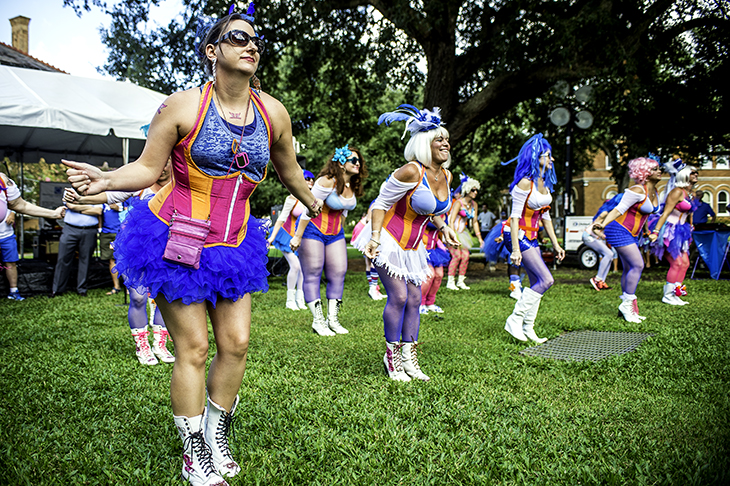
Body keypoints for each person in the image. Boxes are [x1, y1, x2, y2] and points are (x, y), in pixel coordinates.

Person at [63, 5, 323, 485]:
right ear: (212, 51)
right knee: (195, 347)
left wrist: (315, 200)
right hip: (175, 234)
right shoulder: (181, 107)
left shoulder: (274, 113)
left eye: (256, 42)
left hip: (235, 241)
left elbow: (287, 170)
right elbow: (146, 168)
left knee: (237, 343)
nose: (252, 46)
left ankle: (214, 430)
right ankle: (193, 451)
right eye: (239, 38)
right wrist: (104, 181)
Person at [354, 104, 459, 382]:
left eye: (446, 138)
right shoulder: (411, 171)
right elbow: (380, 204)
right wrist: (375, 237)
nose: (445, 143)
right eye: (439, 139)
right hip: (387, 237)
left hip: (414, 246)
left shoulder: (446, 175)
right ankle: (392, 359)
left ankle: (410, 358)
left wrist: (444, 227)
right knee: (399, 296)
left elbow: (433, 210)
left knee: (415, 298)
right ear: (425, 143)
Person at [65, 159, 176, 365]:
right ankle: (142, 345)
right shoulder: (140, 184)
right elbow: (108, 194)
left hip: (170, 251)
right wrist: (80, 197)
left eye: (166, 161)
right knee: (138, 298)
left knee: (165, 298)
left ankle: (160, 344)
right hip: (138, 251)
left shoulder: (181, 184)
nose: (161, 166)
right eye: (159, 161)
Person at [290, 144, 366, 336]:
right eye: (353, 160)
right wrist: (297, 236)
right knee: (313, 272)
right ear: (341, 163)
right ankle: (318, 321)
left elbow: (344, 212)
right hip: (312, 229)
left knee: (339, 272)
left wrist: (339, 231)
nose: (358, 163)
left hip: (335, 233)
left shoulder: (352, 186)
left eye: (359, 161)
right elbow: (309, 209)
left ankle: (333, 319)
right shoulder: (326, 181)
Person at [502, 134, 565, 343]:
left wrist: (556, 244)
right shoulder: (524, 183)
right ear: (537, 156)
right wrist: (515, 249)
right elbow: (514, 218)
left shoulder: (544, 184)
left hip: (532, 236)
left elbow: (546, 218)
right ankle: (515, 319)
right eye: (548, 155)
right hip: (518, 234)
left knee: (537, 280)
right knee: (547, 280)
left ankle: (528, 327)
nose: (552, 160)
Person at [593, 157, 661, 323]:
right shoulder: (638, 190)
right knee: (638, 264)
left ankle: (626, 306)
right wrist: (602, 224)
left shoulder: (654, 192)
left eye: (659, 168)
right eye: (654, 169)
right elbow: (618, 210)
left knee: (630, 267)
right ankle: (627, 304)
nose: (659, 171)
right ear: (644, 172)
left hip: (633, 233)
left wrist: (649, 232)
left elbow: (644, 216)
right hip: (618, 229)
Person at [0, 173, 65, 299]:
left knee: (10, 263)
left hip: (5, 235)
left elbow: (20, 205)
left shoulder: (2, 180)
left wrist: (53, 214)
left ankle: (14, 292)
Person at [649, 160, 698, 305]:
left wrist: (690, 225)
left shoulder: (690, 194)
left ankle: (675, 293)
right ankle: (667, 295)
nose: (696, 175)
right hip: (669, 230)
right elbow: (665, 213)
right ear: (684, 176)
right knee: (676, 262)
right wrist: (656, 232)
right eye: (692, 173)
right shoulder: (677, 192)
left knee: (685, 263)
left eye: (696, 173)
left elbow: (690, 213)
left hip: (682, 231)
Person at [267, 170, 315, 311]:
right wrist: (272, 237)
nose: (310, 181)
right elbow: (281, 219)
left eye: (312, 179)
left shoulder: (313, 199)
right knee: (296, 266)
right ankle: (290, 300)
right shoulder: (292, 198)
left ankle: (300, 299)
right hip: (286, 235)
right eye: (307, 178)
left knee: (302, 269)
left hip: (300, 237)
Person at [52, 200, 103, 297]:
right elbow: (71, 206)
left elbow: (98, 211)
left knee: (86, 260)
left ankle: (82, 289)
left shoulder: (96, 193)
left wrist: (78, 208)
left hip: (90, 230)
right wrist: (89, 207)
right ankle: (57, 289)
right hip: (70, 229)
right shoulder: (70, 191)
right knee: (63, 258)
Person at [446, 175, 483, 290]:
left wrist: (480, 238)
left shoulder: (474, 205)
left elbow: (475, 222)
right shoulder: (458, 203)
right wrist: (452, 236)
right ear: (467, 190)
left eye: (476, 190)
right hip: (453, 232)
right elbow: (451, 220)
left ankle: (461, 281)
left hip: (464, 234)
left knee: (466, 256)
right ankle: (450, 281)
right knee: (457, 256)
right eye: (473, 190)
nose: (475, 192)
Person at [583, 194, 623, 291]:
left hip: (594, 237)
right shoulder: (605, 213)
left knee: (609, 256)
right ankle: (597, 279)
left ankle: (601, 282)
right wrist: (602, 235)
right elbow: (595, 228)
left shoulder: (611, 214)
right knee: (609, 254)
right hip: (589, 236)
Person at [351, 204, 387, 301]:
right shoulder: (378, 202)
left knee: (369, 262)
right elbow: (369, 220)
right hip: (367, 230)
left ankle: (373, 289)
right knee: (373, 260)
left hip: (366, 229)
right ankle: (373, 289)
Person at [419, 220, 450, 314]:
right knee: (429, 275)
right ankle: (420, 303)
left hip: (434, 249)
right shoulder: (425, 209)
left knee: (439, 275)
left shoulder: (443, 212)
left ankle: (430, 302)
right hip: (422, 249)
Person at [100, 201, 123, 295]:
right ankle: (116, 286)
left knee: (124, 259)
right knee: (111, 260)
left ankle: (129, 288)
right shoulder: (102, 197)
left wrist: (118, 208)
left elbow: (130, 211)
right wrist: (100, 228)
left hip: (121, 231)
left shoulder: (125, 194)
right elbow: (99, 214)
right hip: (106, 232)